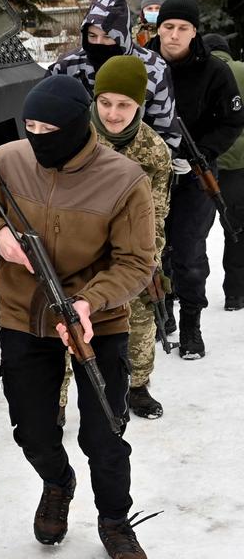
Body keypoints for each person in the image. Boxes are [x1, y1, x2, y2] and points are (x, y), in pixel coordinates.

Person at [0, 75, 157, 559]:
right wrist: (0, 235)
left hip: (98, 321)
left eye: (49, 127)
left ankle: (116, 521)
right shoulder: (8, 159)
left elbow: (138, 263)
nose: (38, 136)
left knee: (104, 433)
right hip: (23, 315)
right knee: (31, 428)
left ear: (77, 125)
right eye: (30, 126)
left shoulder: (124, 179)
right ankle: (57, 482)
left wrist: (89, 303)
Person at [149, 0, 244, 358]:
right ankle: (164, 315)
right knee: (153, 251)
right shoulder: (141, 63)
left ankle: (191, 324)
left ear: (194, 31)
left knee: (188, 251)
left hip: (196, 174)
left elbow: (232, 121)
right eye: (168, 27)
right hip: (148, 174)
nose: (174, 35)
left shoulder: (215, 71)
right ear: (158, 29)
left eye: (182, 28)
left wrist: (201, 153)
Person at [89, 56, 172, 418]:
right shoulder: (76, 138)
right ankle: (57, 403)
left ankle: (137, 387)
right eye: (105, 103)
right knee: (66, 326)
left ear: (139, 104)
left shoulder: (154, 152)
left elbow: (155, 218)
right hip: (79, 249)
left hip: (130, 252)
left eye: (124, 104)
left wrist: (145, 263)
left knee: (140, 318)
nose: (113, 113)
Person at [46, 0, 183, 156]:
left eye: (107, 37)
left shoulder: (153, 67)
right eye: (92, 36)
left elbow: (165, 131)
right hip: (76, 160)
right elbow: (46, 119)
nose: (98, 43)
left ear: (122, 36)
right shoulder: (67, 66)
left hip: (134, 163)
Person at [201, 33, 244, 312]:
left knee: (192, 234)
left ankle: (184, 292)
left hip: (200, 162)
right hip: (238, 164)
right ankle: (235, 294)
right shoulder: (241, 69)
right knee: (236, 230)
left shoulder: (198, 71)